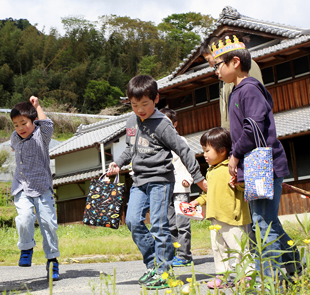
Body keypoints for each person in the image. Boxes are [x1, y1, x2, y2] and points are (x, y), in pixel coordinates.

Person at [210, 35, 301, 281]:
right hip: (255, 165)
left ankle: (268, 279)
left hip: (262, 165)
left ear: (235, 62)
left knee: (262, 222)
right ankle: (293, 263)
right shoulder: (238, 91)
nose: (215, 70)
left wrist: (235, 155)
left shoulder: (249, 89)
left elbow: (254, 128)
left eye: (217, 65)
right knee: (266, 219)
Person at [107, 75, 207, 290]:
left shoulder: (163, 124)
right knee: (132, 221)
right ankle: (153, 264)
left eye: (145, 104)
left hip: (161, 180)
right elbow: (129, 148)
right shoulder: (131, 121)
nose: (140, 109)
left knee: (160, 226)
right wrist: (117, 163)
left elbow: (183, 149)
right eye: (134, 105)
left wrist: (198, 178)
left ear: (156, 99)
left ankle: (164, 271)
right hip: (139, 180)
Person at [191, 127, 253, 289]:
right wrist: (198, 201)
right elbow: (209, 192)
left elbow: (244, 188)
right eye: (203, 150)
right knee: (218, 248)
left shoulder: (231, 168)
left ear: (223, 151)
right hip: (215, 217)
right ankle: (222, 275)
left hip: (233, 218)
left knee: (239, 247)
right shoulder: (211, 171)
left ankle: (246, 275)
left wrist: (239, 183)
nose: (204, 154)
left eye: (207, 150)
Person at [10, 97, 61, 280]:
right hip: (22, 186)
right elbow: (14, 148)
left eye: (24, 123)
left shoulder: (42, 135)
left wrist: (37, 106)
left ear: (33, 122)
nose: (20, 128)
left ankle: (52, 260)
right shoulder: (15, 138)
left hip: (42, 187)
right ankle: (26, 248)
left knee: (48, 225)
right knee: (24, 218)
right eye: (16, 125)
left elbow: (47, 124)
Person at [201, 33, 263, 130]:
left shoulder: (247, 66)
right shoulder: (224, 78)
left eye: (209, 59)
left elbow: (258, 105)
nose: (210, 65)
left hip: (249, 133)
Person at [158, 108, 194, 268]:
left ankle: (185, 256)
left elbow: (189, 161)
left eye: (169, 123)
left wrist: (189, 178)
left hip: (181, 186)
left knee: (182, 224)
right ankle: (173, 255)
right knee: (170, 224)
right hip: (166, 188)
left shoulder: (181, 141)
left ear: (175, 124)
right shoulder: (158, 143)